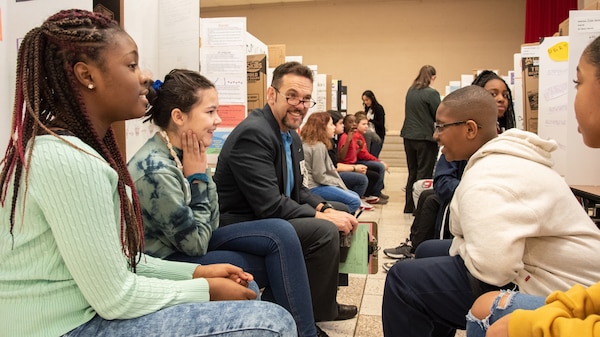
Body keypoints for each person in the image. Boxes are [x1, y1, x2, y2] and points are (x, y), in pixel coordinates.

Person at [0, 9, 296, 337]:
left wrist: (197, 274)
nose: (146, 76)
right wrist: (204, 289)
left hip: (81, 311)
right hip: (62, 327)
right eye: (131, 65)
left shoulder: (72, 152)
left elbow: (124, 260)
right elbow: (116, 297)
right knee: (272, 323)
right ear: (87, 75)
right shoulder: (71, 161)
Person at [381, 85, 600, 337]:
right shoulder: (503, 158)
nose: (435, 136)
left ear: (470, 129)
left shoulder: (487, 178)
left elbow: (493, 268)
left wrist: (463, 245)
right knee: (428, 249)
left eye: (441, 126)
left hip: (561, 288)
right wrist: (464, 245)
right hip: (546, 268)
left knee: (403, 280)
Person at [127, 69, 324, 337]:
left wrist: (200, 175)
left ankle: (299, 329)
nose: (218, 120)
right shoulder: (156, 171)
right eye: (210, 112)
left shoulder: (187, 150)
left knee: (282, 234)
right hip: (168, 260)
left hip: (195, 239)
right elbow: (195, 244)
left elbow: (213, 215)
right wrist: (198, 178)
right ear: (178, 117)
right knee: (276, 259)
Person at [466, 35, 600, 337]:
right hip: (566, 288)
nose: (499, 100)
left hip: (542, 272)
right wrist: (557, 309)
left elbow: (495, 262)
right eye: (491, 94)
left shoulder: (513, 148)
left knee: (484, 311)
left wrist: (536, 323)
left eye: (578, 83)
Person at [213, 61, 359, 323]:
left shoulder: (289, 135)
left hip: (267, 213)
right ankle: (307, 316)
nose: (299, 105)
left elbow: (298, 190)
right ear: (272, 95)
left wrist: (325, 209)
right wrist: (323, 219)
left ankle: (324, 304)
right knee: (324, 230)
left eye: (305, 99)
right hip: (240, 221)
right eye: (292, 96)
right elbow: (270, 205)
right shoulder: (254, 134)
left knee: (340, 210)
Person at [383, 69, 516, 267]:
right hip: (471, 209)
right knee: (428, 191)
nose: (500, 100)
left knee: (423, 186)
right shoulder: (457, 141)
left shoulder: (512, 140)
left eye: (505, 95)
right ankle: (415, 250)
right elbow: (444, 181)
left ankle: (417, 252)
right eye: (492, 94)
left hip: (494, 232)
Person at [300, 112, 362, 214]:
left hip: (313, 185)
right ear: (322, 127)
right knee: (354, 201)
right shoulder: (318, 146)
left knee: (354, 195)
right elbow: (319, 176)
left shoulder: (311, 143)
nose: (333, 128)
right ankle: (340, 222)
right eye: (331, 124)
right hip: (314, 187)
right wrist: (336, 183)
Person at [400, 65, 440, 213]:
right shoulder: (432, 93)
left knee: (413, 171)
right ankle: (420, 208)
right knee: (424, 173)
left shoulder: (411, 91)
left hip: (408, 136)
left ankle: (409, 206)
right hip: (425, 137)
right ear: (432, 77)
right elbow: (439, 114)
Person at [327, 110, 372, 211]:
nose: (342, 126)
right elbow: (340, 159)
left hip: (341, 168)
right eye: (341, 123)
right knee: (362, 179)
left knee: (369, 173)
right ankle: (353, 206)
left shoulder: (339, 139)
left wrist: (359, 149)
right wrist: (354, 168)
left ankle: (357, 201)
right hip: (335, 173)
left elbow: (351, 155)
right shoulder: (343, 138)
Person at [339, 113, 389, 204]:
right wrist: (348, 141)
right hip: (347, 166)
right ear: (345, 124)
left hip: (352, 163)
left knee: (374, 174)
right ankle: (358, 199)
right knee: (368, 176)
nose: (354, 124)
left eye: (355, 122)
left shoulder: (355, 136)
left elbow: (352, 154)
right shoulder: (345, 137)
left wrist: (359, 148)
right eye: (350, 122)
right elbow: (342, 156)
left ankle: (369, 195)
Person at [362, 90, 386, 158]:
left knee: (374, 155)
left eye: (367, 100)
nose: (365, 102)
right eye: (364, 100)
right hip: (368, 135)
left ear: (372, 98)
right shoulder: (367, 108)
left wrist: (371, 120)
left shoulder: (379, 108)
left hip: (377, 135)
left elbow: (381, 124)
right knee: (368, 154)